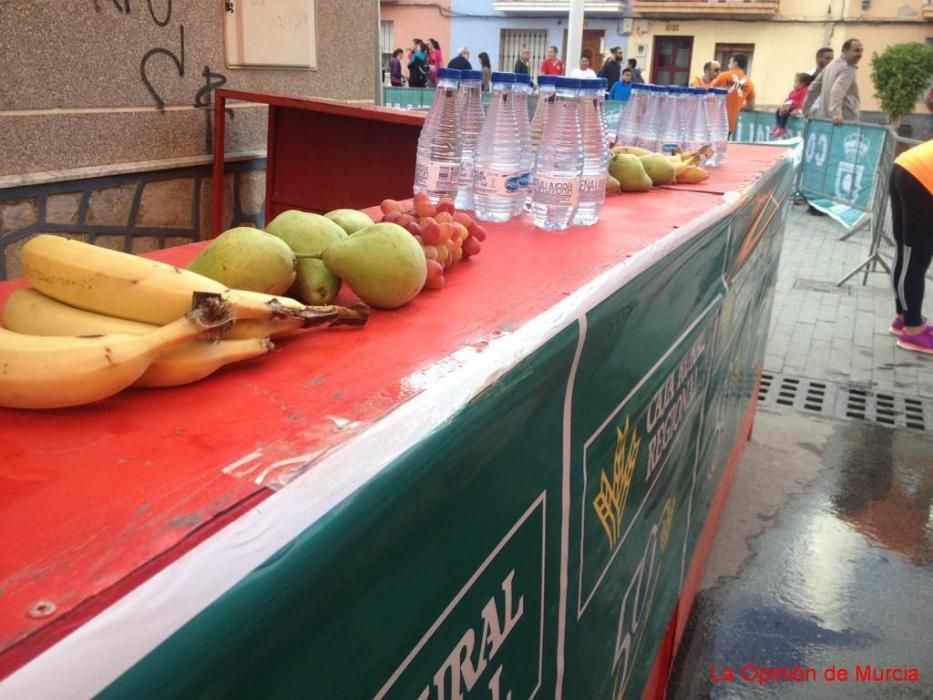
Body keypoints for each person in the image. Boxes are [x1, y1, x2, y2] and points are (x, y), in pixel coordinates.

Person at [888, 138, 933, 355]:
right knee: (916, 258)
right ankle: (913, 331)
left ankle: (904, 318)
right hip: (922, 178)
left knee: (905, 254)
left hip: (905, 166)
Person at [804, 38, 863, 125]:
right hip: (843, 122)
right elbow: (837, 91)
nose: (860, 54)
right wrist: (836, 114)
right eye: (856, 51)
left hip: (825, 120)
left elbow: (814, 87)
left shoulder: (831, 66)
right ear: (845, 50)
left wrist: (806, 108)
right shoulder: (847, 69)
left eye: (861, 51)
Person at [710, 52, 756, 136]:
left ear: (735, 63)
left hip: (714, 120)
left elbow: (708, 93)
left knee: (705, 147)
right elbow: (750, 105)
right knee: (720, 147)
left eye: (729, 62)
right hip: (730, 123)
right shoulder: (749, 83)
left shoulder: (723, 76)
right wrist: (737, 106)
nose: (728, 65)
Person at [772, 72, 813, 137]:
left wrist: (798, 110)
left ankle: (782, 128)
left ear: (802, 84)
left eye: (796, 82)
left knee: (785, 113)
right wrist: (783, 106)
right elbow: (788, 99)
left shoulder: (804, 91)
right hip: (789, 106)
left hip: (794, 108)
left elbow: (802, 101)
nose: (794, 84)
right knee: (778, 111)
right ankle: (778, 125)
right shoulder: (793, 92)